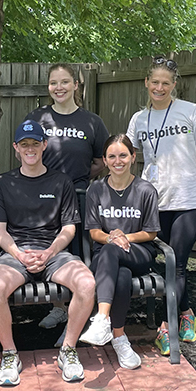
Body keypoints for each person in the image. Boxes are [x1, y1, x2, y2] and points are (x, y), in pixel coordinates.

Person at [0, 120, 96, 385]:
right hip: (15, 253)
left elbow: (69, 228)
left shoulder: (61, 181)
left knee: (87, 283)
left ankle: (68, 350)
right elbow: (0, 230)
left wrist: (50, 251)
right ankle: (10, 354)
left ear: (44, 145)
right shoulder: (3, 183)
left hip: (54, 253)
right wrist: (19, 254)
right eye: (25, 145)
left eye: (35, 143)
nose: (30, 149)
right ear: (16, 148)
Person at [126, 56, 196, 355]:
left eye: (166, 83)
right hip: (153, 202)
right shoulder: (139, 119)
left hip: (188, 201)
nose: (159, 87)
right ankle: (186, 313)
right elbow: (126, 157)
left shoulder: (191, 112)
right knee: (165, 264)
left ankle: (166, 330)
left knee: (176, 263)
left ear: (174, 85)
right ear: (146, 83)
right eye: (155, 82)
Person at [25, 63, 110, 330]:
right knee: (53, 252)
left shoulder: (91, 121)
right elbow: (27, 153)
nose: (58, 88)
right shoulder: (37, 118)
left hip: (80, 196)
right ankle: (59, 308)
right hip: (44, 198)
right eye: (53, 83)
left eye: (64, 82)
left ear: (76, 85)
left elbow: (101, 161)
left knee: (81, 252)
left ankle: (86, 310)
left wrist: (81, 174)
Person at [78, 134, 160, 369]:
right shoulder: (96, 190)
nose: (118, 161)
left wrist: (124, 238)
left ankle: (102, 318)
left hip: (139, 253)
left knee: (112, 251)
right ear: (104, 160)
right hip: (105, 257)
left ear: (133, 157)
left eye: (123, 155)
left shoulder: (145, 190)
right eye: (112, 156)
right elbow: (94, 232)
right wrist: (111, 238)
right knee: (121, 276)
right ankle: (119, 338)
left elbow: (151, 232)